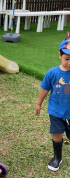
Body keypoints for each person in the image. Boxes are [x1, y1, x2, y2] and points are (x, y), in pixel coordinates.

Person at [35, 32, 70, 171]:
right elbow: (44, 88)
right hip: (56, 111)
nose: (69, 62)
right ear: (60, 55)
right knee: (57, 134)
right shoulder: (53, 73)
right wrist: (38, 104)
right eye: (67, 58)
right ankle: (57, 157)